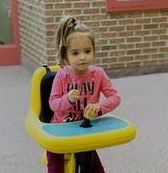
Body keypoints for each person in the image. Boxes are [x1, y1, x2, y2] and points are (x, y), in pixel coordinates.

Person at [47, 16, 121, 173]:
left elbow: (115, 98)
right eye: (75, 53)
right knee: (54, 165)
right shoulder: (62, 76)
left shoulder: (98, 73)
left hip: (85, 129)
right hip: (61, 129)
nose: (82, 57)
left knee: (96, 168)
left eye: (87, 51)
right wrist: (67, 99)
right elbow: (53, 104)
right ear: (65, 56)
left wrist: (98, 107)